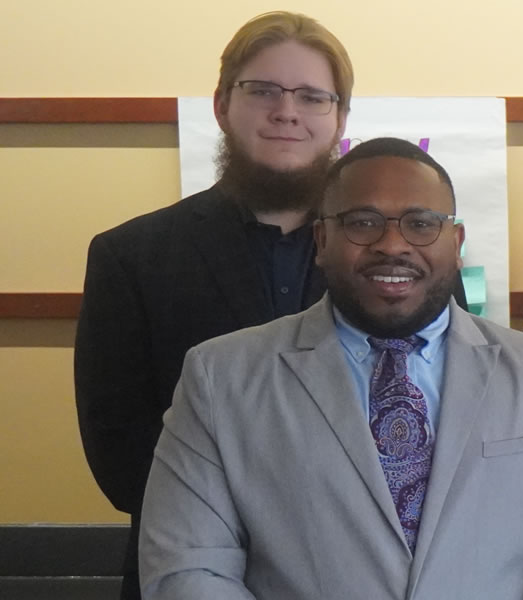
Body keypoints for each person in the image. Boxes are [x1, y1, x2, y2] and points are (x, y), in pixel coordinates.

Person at [138, 138, 523, 598]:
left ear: (456, 242)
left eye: (421, 223)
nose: (393, 245)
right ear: (321, 240)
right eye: (363, 222)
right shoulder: (221, 378)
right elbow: (187, 568)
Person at [74, 12, 351, 598]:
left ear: (340, 119)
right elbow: (121, 458)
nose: (287, 111)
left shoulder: (397, 259)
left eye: (312, 96)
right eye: (264, 90)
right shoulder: (132, 256)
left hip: (357, 573)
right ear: (223, 105)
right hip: (186, 572)